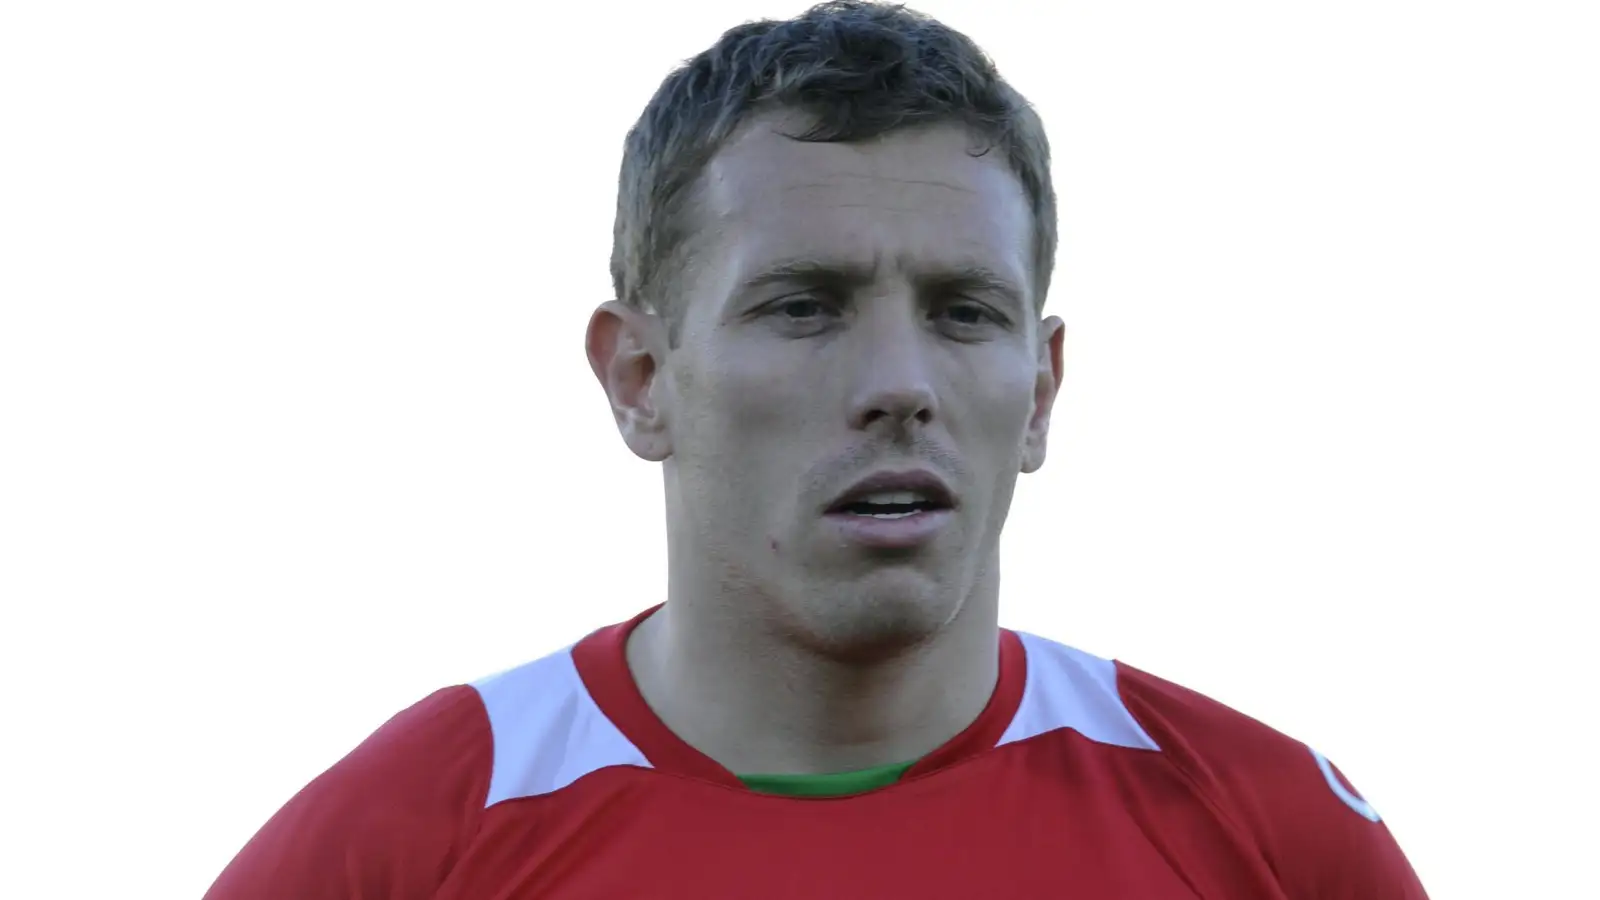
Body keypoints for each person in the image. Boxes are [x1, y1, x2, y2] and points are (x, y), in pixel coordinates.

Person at [205, 2, 1429, 896]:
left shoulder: (1272, 840)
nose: (899, 386)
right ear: (639, 379)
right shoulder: (407, 843)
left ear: (1042, 389)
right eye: (803, 306)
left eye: (963, 312)